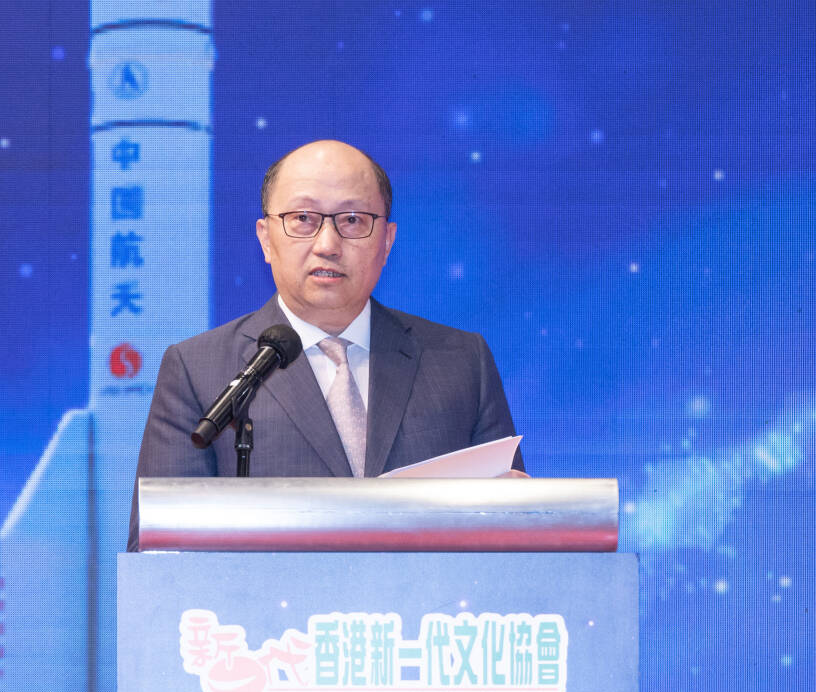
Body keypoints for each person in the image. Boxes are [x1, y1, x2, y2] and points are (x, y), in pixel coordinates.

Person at [128, 140, 522, 550]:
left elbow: (518, 534)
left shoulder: (461, 362)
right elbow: (157, 550)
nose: (328, 244)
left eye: (352, 220)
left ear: (387, 240)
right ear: (266, 238)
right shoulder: (198, 369)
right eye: (303, 218)